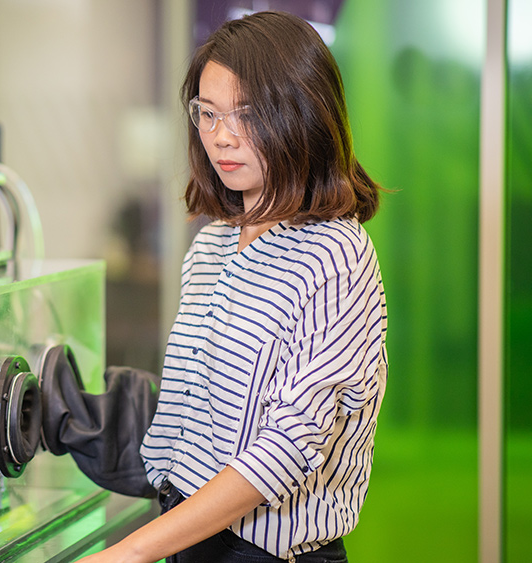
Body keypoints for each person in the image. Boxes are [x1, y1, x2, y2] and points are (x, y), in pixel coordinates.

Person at [77, 10, 387, 563]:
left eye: (247, 114)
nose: (222, 136)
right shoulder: (212, 245)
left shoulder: (336, 255)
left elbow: (289, 447)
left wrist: (129, 552)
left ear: (302, 115)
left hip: (266, 553)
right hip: (186, 534)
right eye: (208, 113)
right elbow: (200, 412)